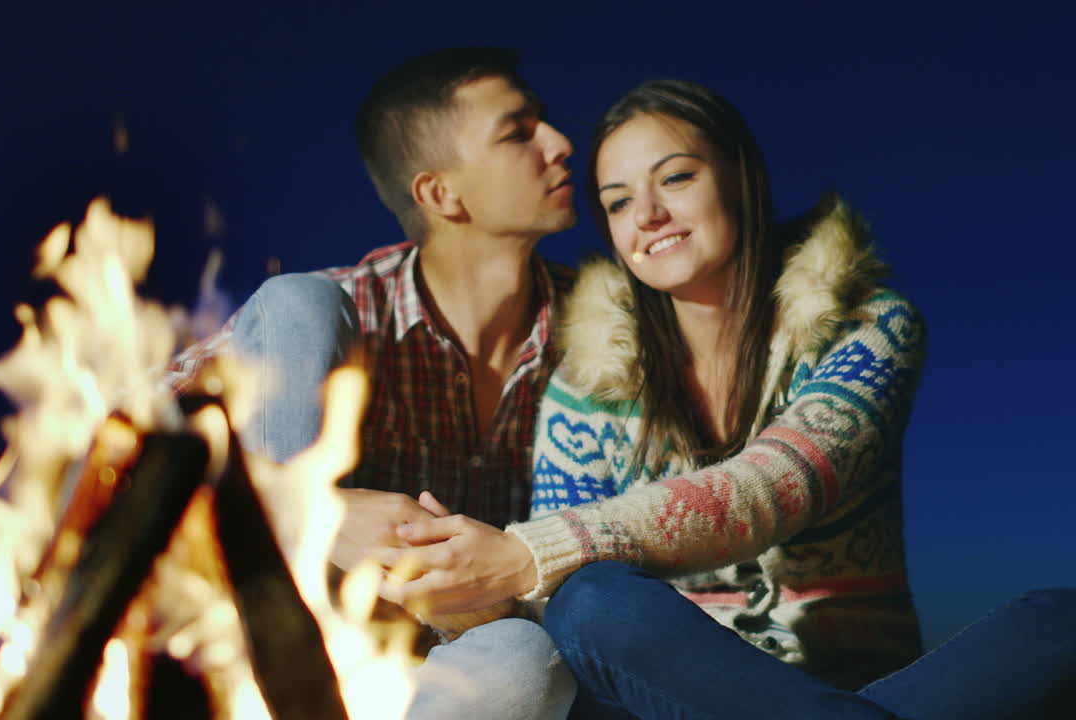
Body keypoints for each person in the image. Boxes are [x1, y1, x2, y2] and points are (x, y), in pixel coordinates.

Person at [380, 78, 1076, 718]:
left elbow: (776, 485)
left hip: (853, 684)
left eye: (676, 178)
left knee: (1058, 622)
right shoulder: (586, 386)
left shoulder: (866, 326)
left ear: (741, 178)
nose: (649, 215)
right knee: (589, 600)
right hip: (658, 701)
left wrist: (526, 552)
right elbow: (554, 596)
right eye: (618, 202)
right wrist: (457, 589)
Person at [168, 47, 580, 719]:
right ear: (440, 194)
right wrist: (309, 506)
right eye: (518, 133)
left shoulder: (597, 328)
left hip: (456, 657)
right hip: (297, 628)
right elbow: (121, 435)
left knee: (528, 666)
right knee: (296, 304)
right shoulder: (348, 308)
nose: (561, 145)